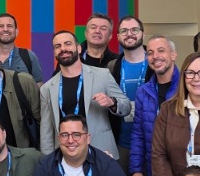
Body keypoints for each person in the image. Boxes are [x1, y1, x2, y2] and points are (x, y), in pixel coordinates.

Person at [39, 30, 132, 161]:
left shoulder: (103, 75)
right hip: (66, 155)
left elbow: (126, 106)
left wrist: (112, 102)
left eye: (67, 44)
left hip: (102, 153)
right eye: (58, 46)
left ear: (78, 48)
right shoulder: (47, 88)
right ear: (54, 52)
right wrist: (48, 161)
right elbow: (46, 131)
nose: (63, 49)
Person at [109, 14, 151, 176]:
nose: (130, 34)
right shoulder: (113, 67)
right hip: (121, 142)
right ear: (118, 37)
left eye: (134, 29)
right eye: (124, 31)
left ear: (142, 33)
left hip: (150, 142)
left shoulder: (155, 63)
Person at [129, 36, 182, 176]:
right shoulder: (144, 92)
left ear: (173, 54)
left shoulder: (186, 87)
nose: (155, 56)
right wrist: (136, 169)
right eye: (150, 53)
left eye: (161, 50)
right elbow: (138, 133)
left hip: (183, 171)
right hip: (155, 172)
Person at [0, 12, 44, 81]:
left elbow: (38, 84)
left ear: (16, 32)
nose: (5, 29)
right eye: (1, 26)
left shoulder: (28, 56)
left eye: (9, 26)